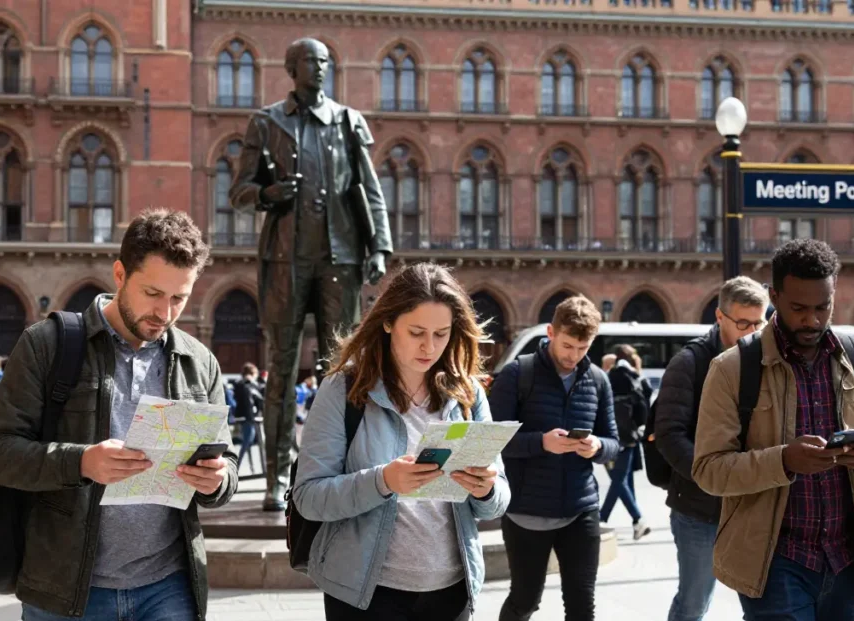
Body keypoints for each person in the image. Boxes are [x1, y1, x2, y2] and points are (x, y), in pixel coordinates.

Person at [0, 209, 241, 621]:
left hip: (169, 587)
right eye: (153, 293)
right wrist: (81, 461)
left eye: (179, 298)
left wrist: (218, 480)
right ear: (119, 274)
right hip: (66, 591)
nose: (165, 313)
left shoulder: (198, 360)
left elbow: (227, 464)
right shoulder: (46, 345)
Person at [693, 240, 854, 621]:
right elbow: (709, 469)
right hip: (774, 565)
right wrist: (784, 460)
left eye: (823, 307)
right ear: (774, 296)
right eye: (799, 309)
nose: (813, 320)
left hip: (848, 563)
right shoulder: (732, 368)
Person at [292, 262, 508, 620]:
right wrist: (383, 481)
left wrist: (485, 489)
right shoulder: (343, 389)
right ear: (389, 323)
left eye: (441, 334)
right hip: (365, 594)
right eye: (417, 332)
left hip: (451, 592)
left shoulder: (468, 392)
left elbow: (497, 500)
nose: (429, 346)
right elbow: (309, 498)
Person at [232, 37, 394, 511]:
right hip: (285, 261)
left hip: (340, 260)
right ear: (291, 66)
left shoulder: (348, 122)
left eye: (324, 61)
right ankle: (276, 477)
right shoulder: (267, 122)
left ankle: (332, 470)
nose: (319, 68)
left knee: (338, 371)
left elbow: (369, 189)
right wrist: (270, 192)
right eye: (309, 60)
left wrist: (380, 246)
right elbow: (240, 191)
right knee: (281, 369)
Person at [490, 294, 620, 621]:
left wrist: (597, 447)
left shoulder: (598, 380)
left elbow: (615, 442)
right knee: (525, 600)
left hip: (581, 508)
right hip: (525, 512)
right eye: (567, 346)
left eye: (582, 348)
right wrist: (541, 443)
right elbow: (490, 443)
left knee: (581, 606)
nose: (573, 356)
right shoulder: (518, 375)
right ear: (550, 332)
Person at [654, 276, 768, 621]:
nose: (752, 331)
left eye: (759, 322)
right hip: (699, 509)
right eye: (743, 322)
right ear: (720, 317)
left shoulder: (766, 360)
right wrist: (714, 476)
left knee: (764, 602)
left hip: (754, 507)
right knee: (694, 603)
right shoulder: (688, 363)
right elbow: (669, 434)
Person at [600, 344, 650, 540]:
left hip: (612, 435)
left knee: (620, 479)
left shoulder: (609, 377)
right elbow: (645, 403)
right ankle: (633, 520)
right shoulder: (634, 377)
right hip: (630, 435)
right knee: (622, 479)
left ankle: (634, 519)